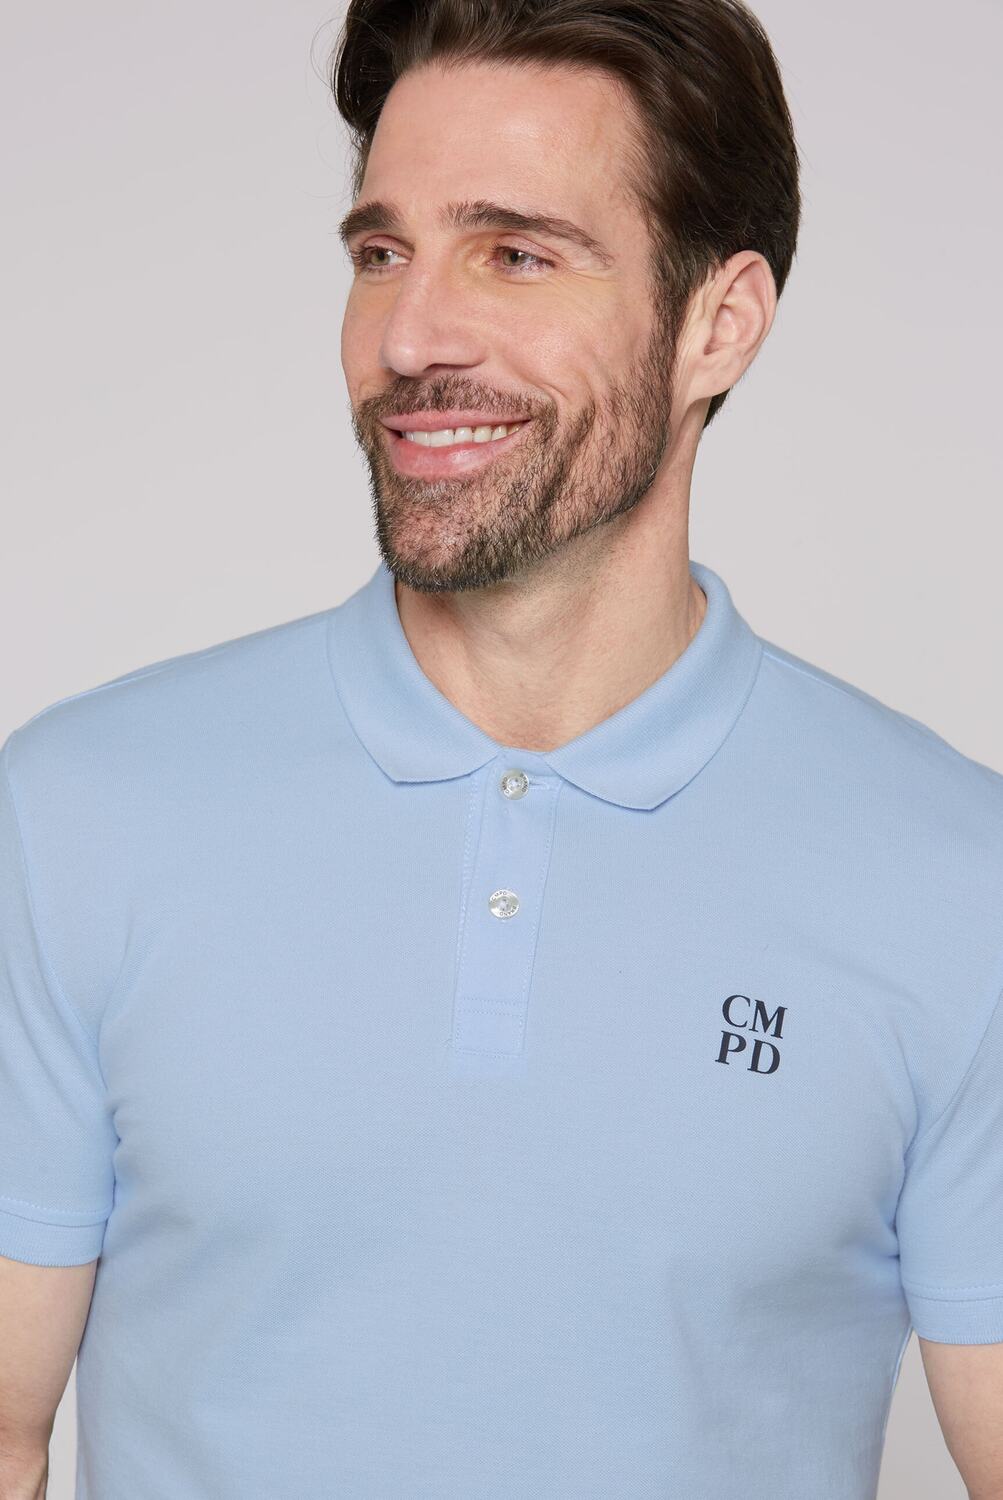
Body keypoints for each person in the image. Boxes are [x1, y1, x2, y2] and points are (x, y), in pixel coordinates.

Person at [1, 1, 1001, 1496]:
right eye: (381, 253)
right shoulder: (73, 815)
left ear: (718, 323)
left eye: (516, 254)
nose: (409, 338)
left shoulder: (961, 880)